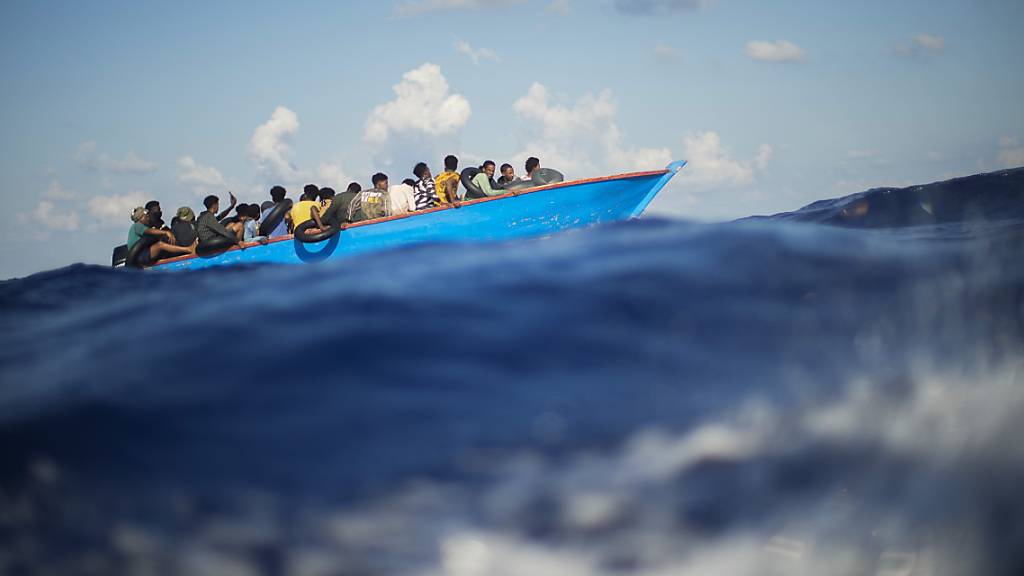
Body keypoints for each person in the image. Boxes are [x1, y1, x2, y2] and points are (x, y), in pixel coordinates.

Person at [127, 207, 194, 266]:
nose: (148, 218)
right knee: (160, 245)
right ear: (140, 218)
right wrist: (165, 232)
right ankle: (188, 249)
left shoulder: (142, 227)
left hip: (144, 254)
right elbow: (149, 231)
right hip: (140, 256)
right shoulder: (136, 226)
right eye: (146, 217)